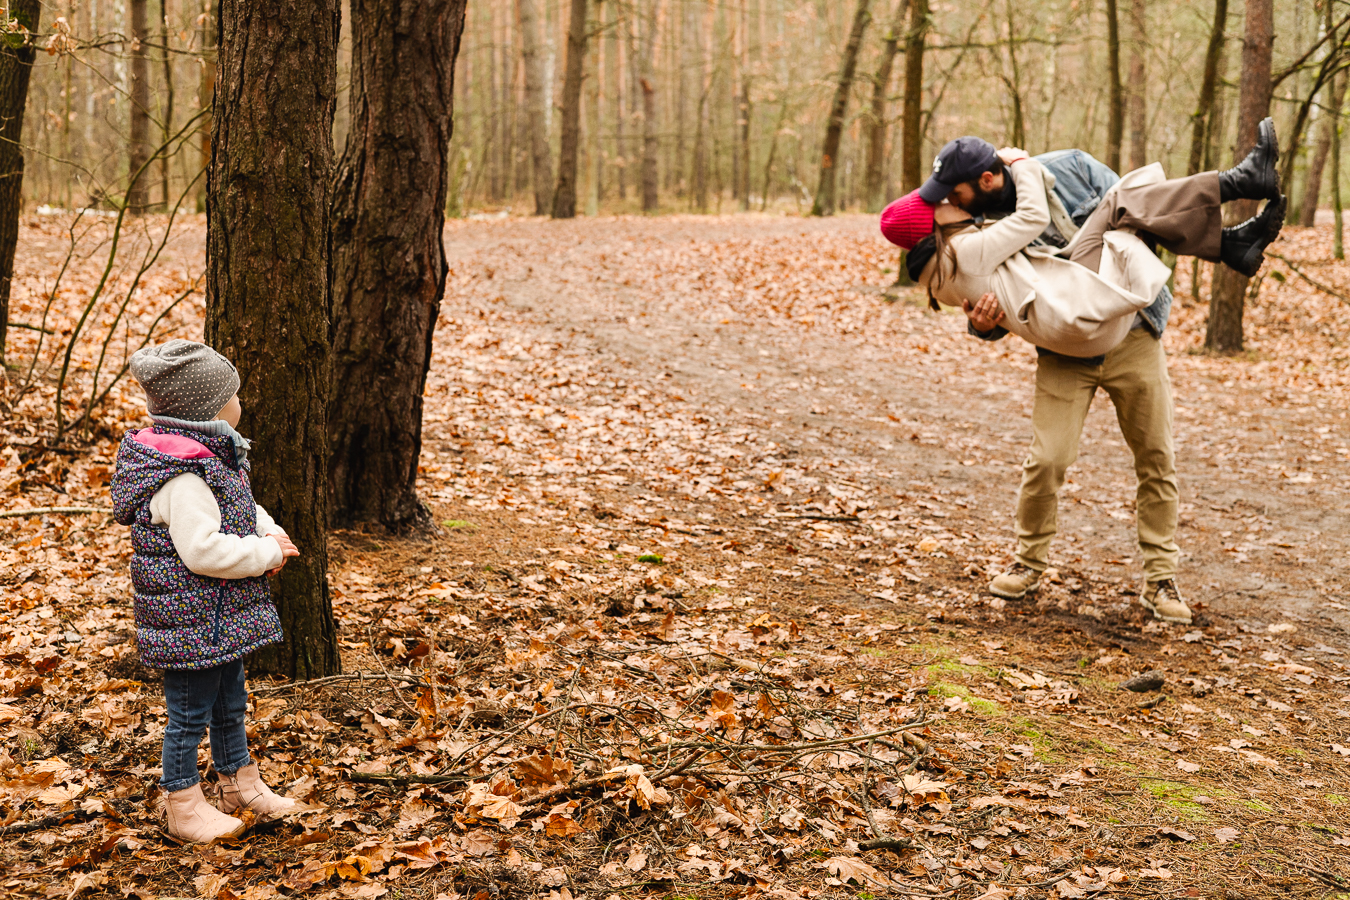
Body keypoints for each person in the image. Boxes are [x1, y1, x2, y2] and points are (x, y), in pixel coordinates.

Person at [877, 123, 1285, 625]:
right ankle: (1028, 563)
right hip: (1065, 353)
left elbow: (1150, 221)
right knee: (1047, 459)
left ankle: (1160, 578)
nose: (947, 200)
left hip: (1130, 333)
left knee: (1157, 455)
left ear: (984, 180)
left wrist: (1100, 269)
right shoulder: (976, 232)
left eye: (951, 192)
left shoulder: (1067, 167)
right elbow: (1008, 301)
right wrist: (981, 326)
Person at [112, 340, 305, 842]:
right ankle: (183, 805)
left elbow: (241, 505)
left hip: (219, 616)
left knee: (229, 702)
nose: (241, 402)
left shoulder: (211, 457)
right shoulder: (182, 477)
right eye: (234, 394)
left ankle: (238, 784)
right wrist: (263, 557)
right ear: (211, 407)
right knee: (189, 715)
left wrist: (270, 532)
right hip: (188, 623)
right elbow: (201, 549)